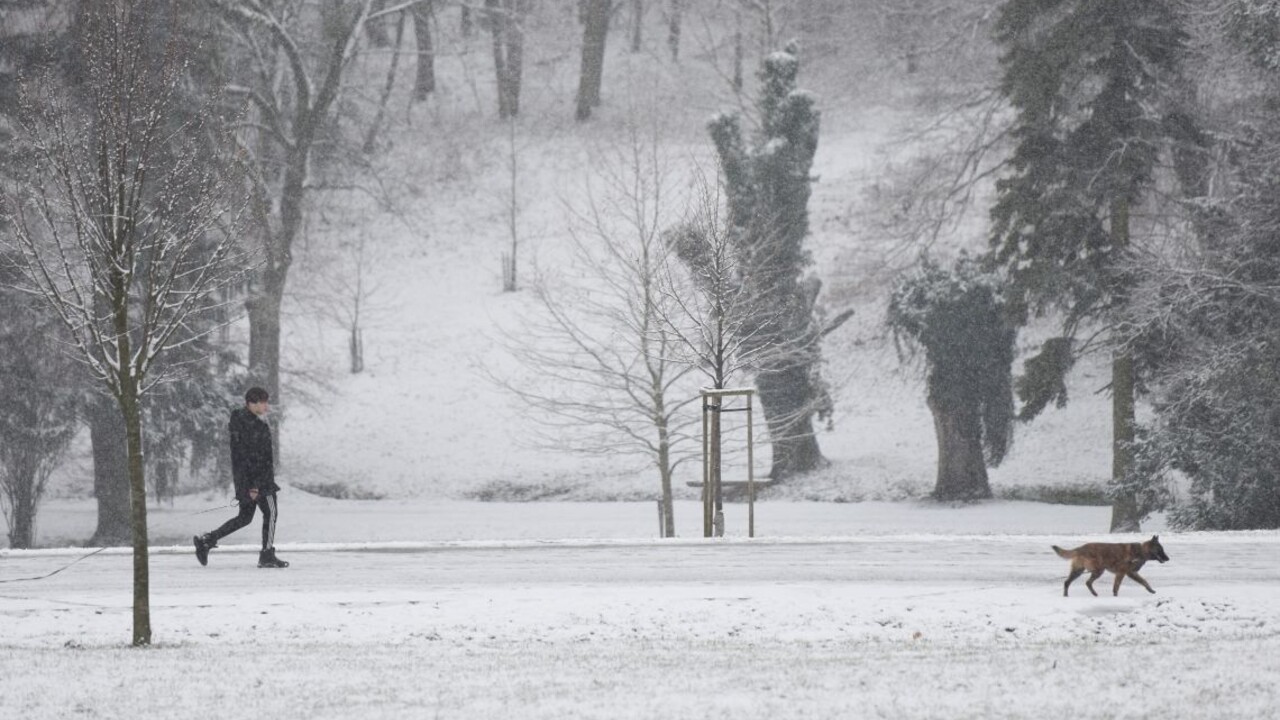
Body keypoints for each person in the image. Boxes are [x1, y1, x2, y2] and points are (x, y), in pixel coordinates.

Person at [194, 387, 289, 568]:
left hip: (245, 480)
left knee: (245, 517)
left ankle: (207, 540)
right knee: (271, 513)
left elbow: (241, 458)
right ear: (252, 403)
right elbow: (253, 457)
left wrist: (245, 484)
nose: (266, 406)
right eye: (263, 402)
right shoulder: (254, 427)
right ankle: (267, 554)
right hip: (260, 482)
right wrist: (255, 486)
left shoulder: (240, 423)